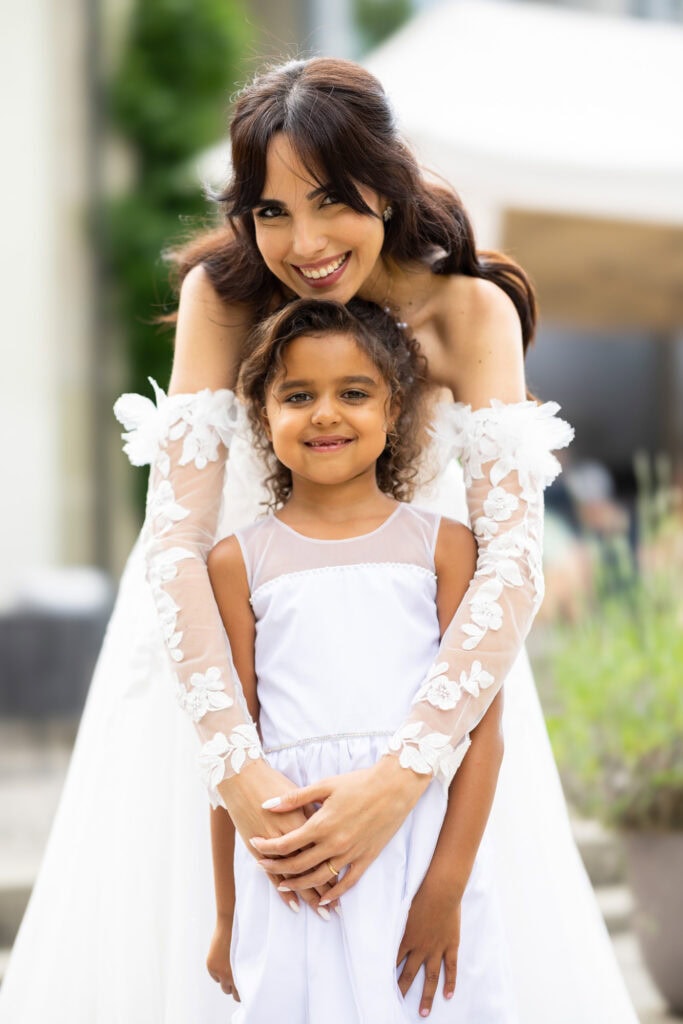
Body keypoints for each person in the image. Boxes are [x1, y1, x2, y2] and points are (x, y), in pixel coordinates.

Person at [0, 57, 637, 1023]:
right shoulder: (226, 298)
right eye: (269, 211)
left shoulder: (470, 312)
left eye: (332, 200)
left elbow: (509, 563)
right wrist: (238, 769)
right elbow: (175, 548)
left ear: (385, 180)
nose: (301, 243)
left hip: (419, 690)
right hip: (219, 676)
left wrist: (405, 774)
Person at [206, 296, 511, 1021]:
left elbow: (481, 737)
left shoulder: (444, 547)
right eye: (297, 395)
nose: (324, 414)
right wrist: (225, 915)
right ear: (262, 415)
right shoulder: (235, 561)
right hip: (294, 866)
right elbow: (227, 750)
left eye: (353, 392)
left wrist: (444, 888)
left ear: (394, 406)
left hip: (416, 850)